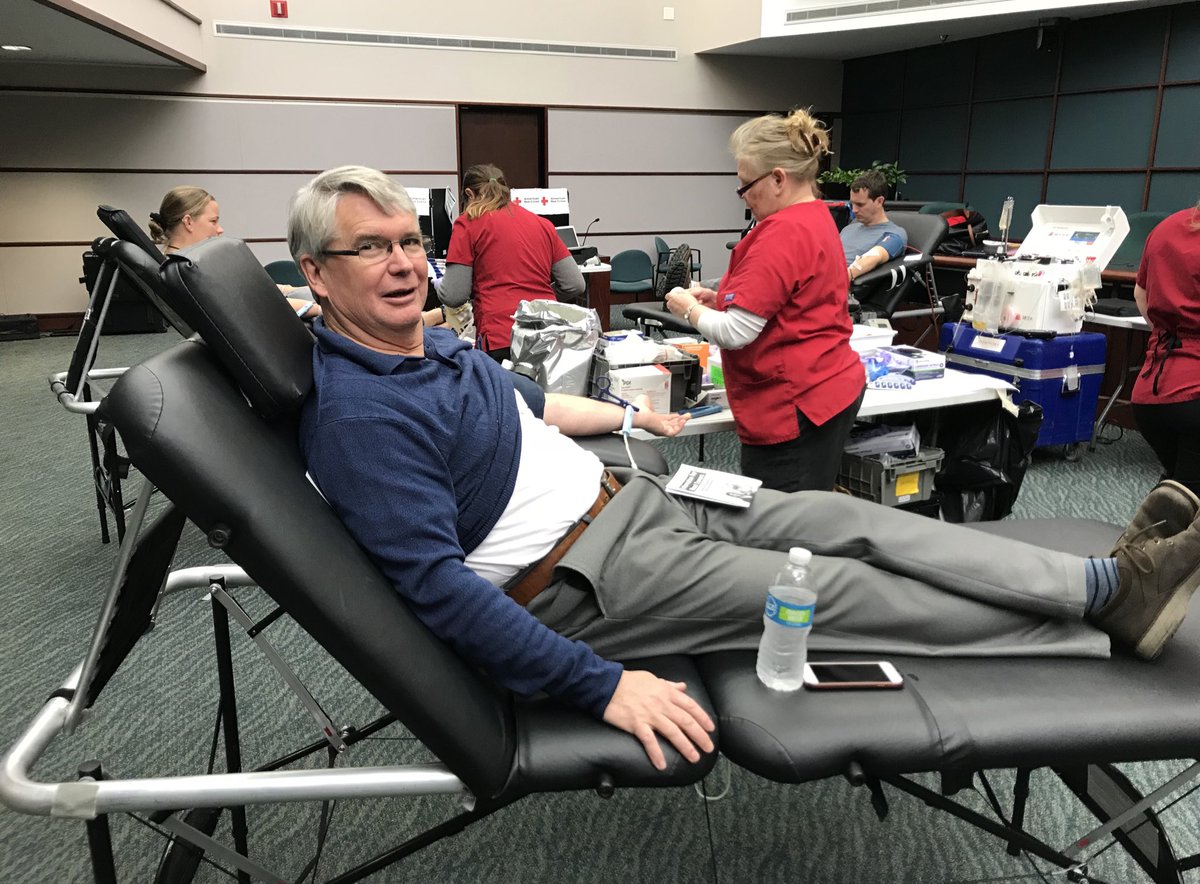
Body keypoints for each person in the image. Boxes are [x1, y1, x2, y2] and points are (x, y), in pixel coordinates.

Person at [291, 164, 1200, 773]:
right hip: (585, 577)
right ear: (316, 274)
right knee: (839, 590)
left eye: (410, 241)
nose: (406, 263)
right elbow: (437, 594)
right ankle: (1091, 638)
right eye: (371, 248)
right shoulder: (361, 416)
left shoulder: (432, 349)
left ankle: (1101, 582)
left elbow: (527, 406)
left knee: (858, 520)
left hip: (638, 498)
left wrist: (626, 414)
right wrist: (597, 684)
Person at [663, 109, 866, 492]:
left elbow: (735, 332)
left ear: (777, 179)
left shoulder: (781, 233)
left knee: (782, 522)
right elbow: (790, 297)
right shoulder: (817, 216)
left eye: (745, 185)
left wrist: (689, 308)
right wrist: (719, 297)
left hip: (796, 401)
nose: (743, 196)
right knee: (809, 502)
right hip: (829, 386)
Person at [440, 164, 585, 361]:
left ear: (469, 194)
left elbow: (454, 295)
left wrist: (437, 284)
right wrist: (539, 300)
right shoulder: (542, 224)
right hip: (547, 333)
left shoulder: (468, 222)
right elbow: (575, 284)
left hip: (501, 336)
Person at [150, 185, 319, 320]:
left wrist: (293, 290)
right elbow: (256, 304)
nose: (220, 229)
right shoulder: (190, 271)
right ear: (188, 222)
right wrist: (318, 308)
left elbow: (256, 291)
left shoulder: (188, 266)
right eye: (213, 221)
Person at [1132, 201, 1200, 493]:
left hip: (1150, 394)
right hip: (1195, 395)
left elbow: (1141, 293)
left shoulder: (1165, 228)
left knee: (1178, 494)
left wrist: (1170, 331)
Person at [840, 169, 908, 282]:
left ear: (879, 201)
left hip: (838, 287)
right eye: (852, 204)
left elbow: (875, 257)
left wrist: (837, 280)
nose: (854, 210)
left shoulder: (895, 234)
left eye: (860, 204)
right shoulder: (848, 229)